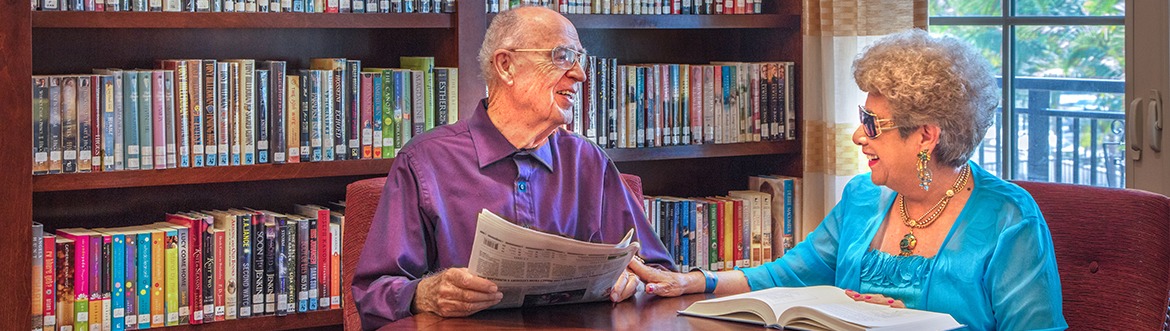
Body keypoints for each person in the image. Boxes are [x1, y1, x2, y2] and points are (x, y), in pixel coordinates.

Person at [629, 29, 1067, 330]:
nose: (859, 136)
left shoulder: (1009, 218)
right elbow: (784, 275)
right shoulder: (861, 198)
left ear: (926, 136)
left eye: (872, 123)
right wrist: (694, 281)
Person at [350, 5, 675, 329]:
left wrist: (632, 277)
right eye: (562, 56)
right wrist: (425, 294)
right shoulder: (425, 161)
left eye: (580, 58)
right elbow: (373, 292)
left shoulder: (588, 162)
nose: (580, 74)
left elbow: (660, 274)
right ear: (506, 65)